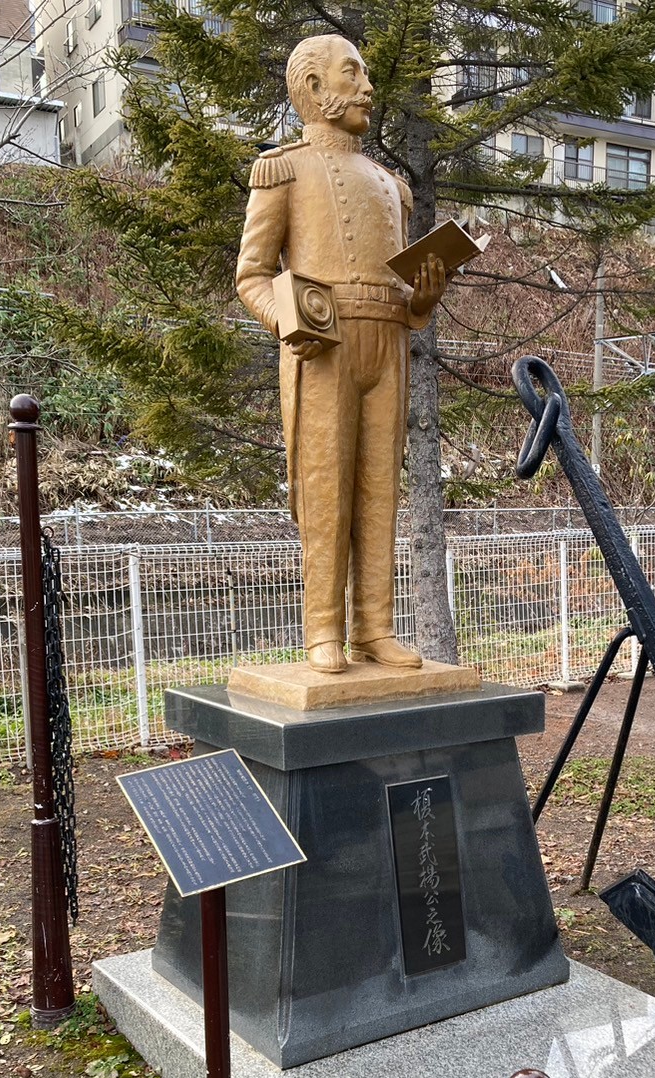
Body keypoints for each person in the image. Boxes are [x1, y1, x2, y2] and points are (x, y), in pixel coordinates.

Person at [236, 33, 449, 674]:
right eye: (351, 75)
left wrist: (424, 299)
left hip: (389, 344)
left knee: (381, 488)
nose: (366, 88)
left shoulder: (392, 187)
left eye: (364, 75)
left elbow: (408, 298)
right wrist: (286, 321)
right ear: (314, 89)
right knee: (325, 488)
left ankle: (374, 628)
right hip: (323, 344)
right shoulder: (284, 170)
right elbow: (251, 275)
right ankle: (323, 629)